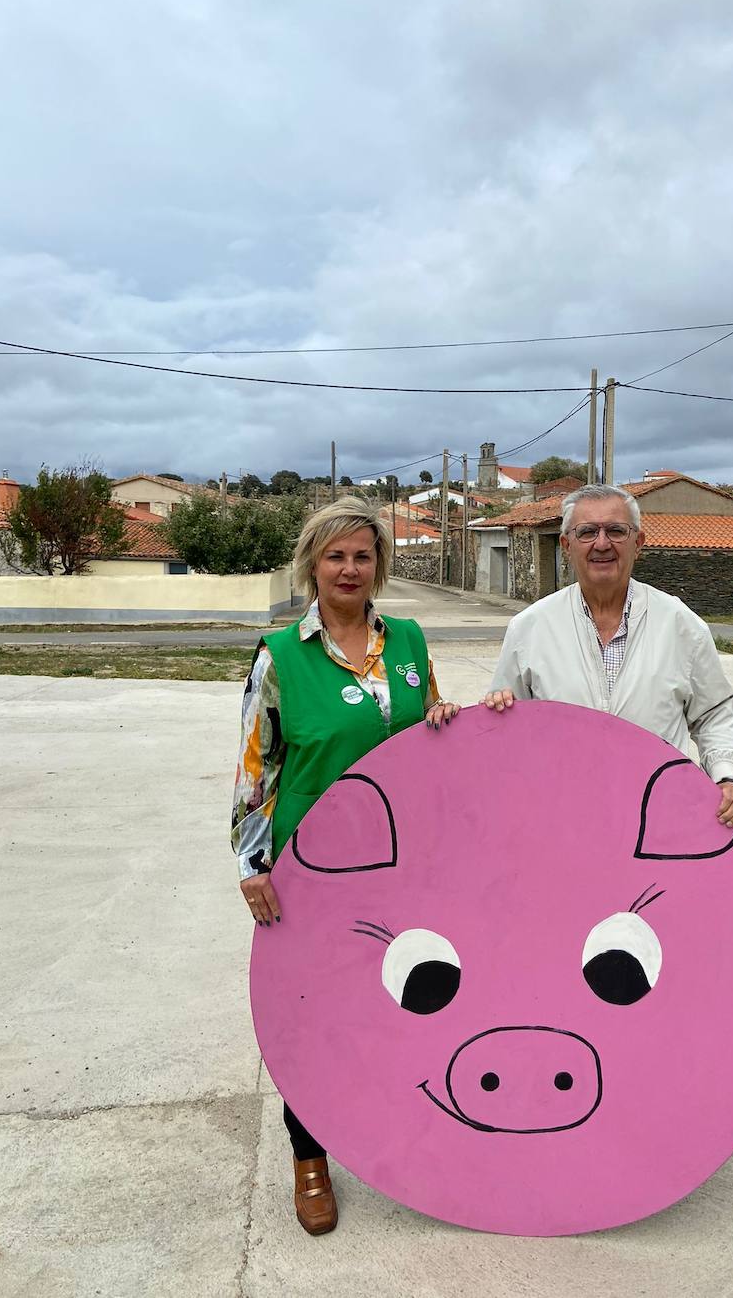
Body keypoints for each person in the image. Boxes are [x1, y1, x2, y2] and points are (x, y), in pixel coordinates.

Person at [231, 496, 459, 1235]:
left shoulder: (409, 641)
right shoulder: (280, 655)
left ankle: (404, 1140)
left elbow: (428, 734)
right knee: (315, 1021)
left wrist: (442, 717)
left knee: (409, 1006)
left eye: (363, 556)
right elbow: (254, 765)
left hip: (408, 869)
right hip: (314, 869)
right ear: (312, 565)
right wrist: (252, 860)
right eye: (336, 556)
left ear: (379, 566)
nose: (350, 569)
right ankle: (310, 1159)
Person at [484, 483, 733, 829]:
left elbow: (713, 714)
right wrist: (499, 710)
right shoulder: (529, 628)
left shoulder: (680, 624)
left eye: (616, 531)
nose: (602, 543)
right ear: (567, 545)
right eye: (588, 532)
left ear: (638, 543)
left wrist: (726, 775)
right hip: (559, 820)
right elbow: (505, 732)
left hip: (659, 819)